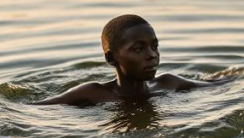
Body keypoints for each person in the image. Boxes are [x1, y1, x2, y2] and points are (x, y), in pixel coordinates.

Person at [34, 15, 227, 106]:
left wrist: (239, 73)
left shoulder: (168, 83)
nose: (152, 54)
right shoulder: (93, 93)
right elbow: (35, 108)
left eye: (154, 46)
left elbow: (215, 84)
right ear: (112, 58)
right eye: (138, 49)